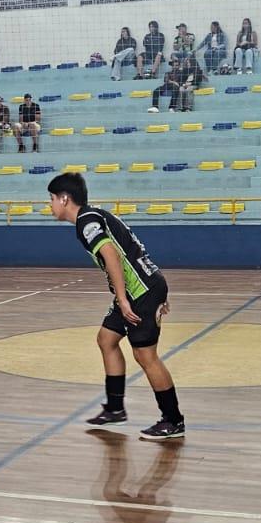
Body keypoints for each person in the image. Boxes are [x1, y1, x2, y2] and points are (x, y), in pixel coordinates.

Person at [47, 171, 184, 441]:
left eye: (51, 199)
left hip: (139, 293)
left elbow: (111, 255)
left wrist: (123, 299)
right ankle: (115, 408)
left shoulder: (87, 222)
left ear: (65, 199)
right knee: (106, 339)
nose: (49, 205)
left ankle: (173, 420)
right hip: (145, 288)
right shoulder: (93, 216)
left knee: (146, 356)